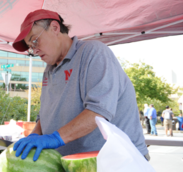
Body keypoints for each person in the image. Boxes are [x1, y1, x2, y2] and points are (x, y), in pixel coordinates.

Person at [11, 9, 149, 162]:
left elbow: (98, 112)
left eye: (35, 41)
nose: (35, 50)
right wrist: (35, 135)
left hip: (116, 162)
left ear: (55, 28)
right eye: (30, 47)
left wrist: (56, 138)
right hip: (72, 163)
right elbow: (45, 116)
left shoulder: (94, 53)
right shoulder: (49, 70)